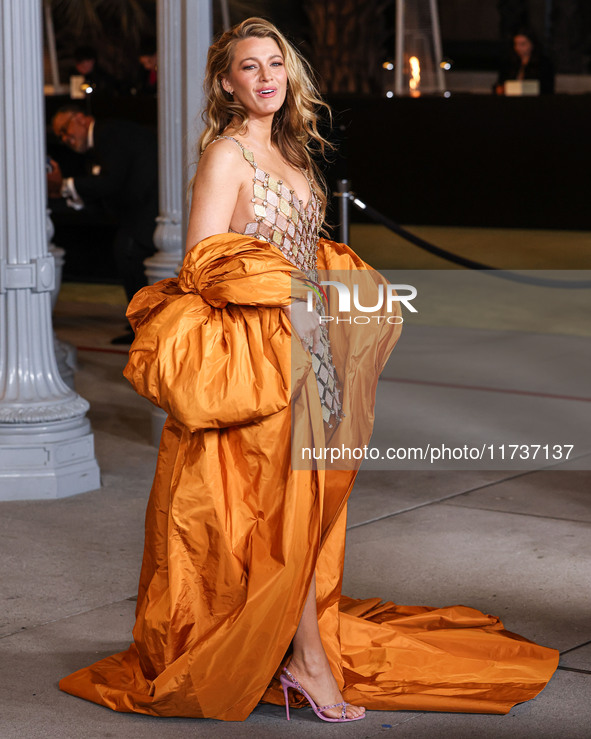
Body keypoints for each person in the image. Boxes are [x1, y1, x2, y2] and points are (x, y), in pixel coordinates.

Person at [59, 18, 558, 723]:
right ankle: (307, 662)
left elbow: (300, 249)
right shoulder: (227, 155)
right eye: (248, 67)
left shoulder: (293, 151)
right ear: (225, 82)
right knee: (273, 516)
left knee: (309, 515)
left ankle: (290, 646)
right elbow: (201, 260)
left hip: (308, 356)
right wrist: (287, 293)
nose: (264, 77)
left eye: (274, 64)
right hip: (259, 361)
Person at [48, 105, 158, 344]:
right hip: (137, 211)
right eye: (60, 137)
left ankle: (146, 326)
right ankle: (142, 323)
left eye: (65, 130)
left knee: (129, 255)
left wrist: (64, 185)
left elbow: (110, 182)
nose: (66, 139)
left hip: (149, 208)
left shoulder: (108, 133)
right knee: (127, 255)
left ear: (81, 118)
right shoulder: (99, 143)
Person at [495, 29, 555, 95]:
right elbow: (500, 83)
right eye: (516, 44)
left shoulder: (543, 64)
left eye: (522, 44)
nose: (518, 48)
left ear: (532, 44)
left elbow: (546, 89)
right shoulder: (509, 63)